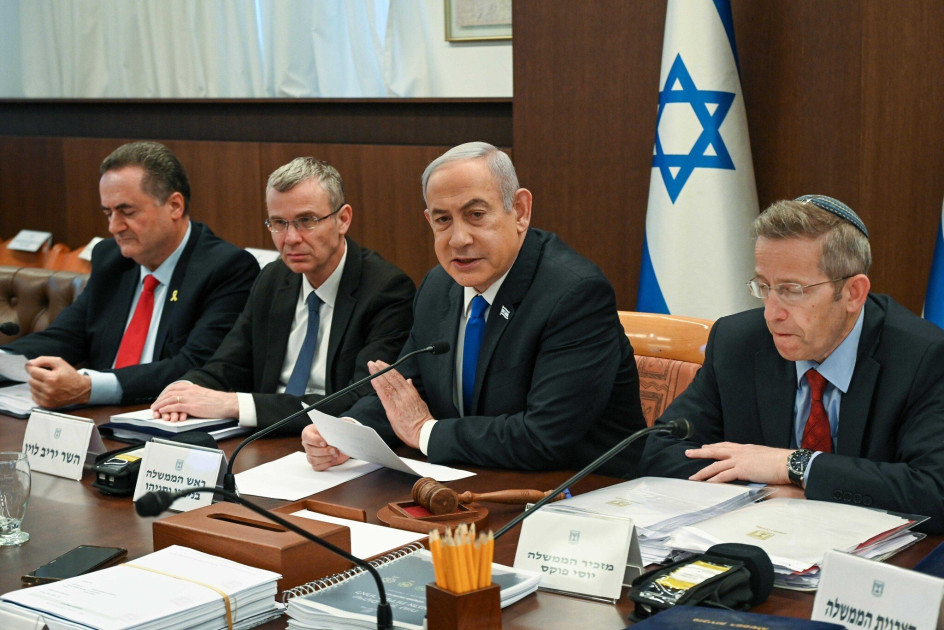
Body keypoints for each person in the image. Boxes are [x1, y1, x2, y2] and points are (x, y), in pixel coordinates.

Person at [301, 141, 646, 475]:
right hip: (474, 479)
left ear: (520, 211)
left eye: (476, 215)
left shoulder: (574, 294)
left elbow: (544, 437)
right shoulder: (438, 286)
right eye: (443, 220)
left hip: (581, 493)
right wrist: (347, 433)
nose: (458, 239)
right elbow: (409, 390)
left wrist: (425, 432)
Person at [640, 195, 944, 533]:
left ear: (853, 293)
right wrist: (766, 494)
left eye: (792, 290)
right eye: (765, 287)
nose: (772, 313)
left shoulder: (922, 357)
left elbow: (934, 489)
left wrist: (796, 466)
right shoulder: (738, 341)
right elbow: (661, 451)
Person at [150, 158, 415, 434]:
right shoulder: (273, 280)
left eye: (306, 221)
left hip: (333, 447)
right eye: (279, 223)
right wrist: (183, 390)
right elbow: (227, 364)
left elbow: (360, 398)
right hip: (263, 440)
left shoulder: (386, 290)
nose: (290, 238)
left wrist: (236, 405)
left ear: (343, 219)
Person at [5, 141, 259, 407]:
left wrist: (90, 387)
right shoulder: (111, 258)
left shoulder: (226, 268)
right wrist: (3, 360)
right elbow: (66, 335)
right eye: (108, 213)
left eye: (127, 212)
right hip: (97, 417)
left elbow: (196, 366)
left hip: (165, 417)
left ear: (174, 206)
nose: (114, 227)